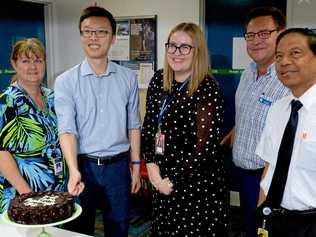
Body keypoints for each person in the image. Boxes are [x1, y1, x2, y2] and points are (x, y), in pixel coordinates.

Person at [54, 6, 141, 237]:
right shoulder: (65, 81)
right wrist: (73, 170)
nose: (93, 37)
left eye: (101, 32)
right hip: (83, 166)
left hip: (118, 168)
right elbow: (66, 129)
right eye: (87, 31)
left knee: (119, 227)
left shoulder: (127, 78)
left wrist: (136, 165)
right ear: (81, 36)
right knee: (79, 230)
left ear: (112, 38)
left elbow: (134, 124)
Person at [141, 22, 229, 236]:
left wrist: (170, 182)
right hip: (162, 178)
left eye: (184, 47)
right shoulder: (159, 79)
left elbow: (204, 148)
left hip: (195, 184)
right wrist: (152, 168)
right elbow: (149, 125)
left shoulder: (207, 88)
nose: (176, 53)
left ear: (196, 51)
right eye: (172, 45)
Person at [220, 6, 289, 237]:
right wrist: (233, 133)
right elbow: (246, 114)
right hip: (243, 171)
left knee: (268, 230)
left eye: (264, 33)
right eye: (250, 35)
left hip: (269, 176)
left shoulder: (288, 78)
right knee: (251, 224)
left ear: (281, 33)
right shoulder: (248, 72)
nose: (256, 41)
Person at [256, 28, 316, 236]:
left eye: (295, 53)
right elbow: (269, 166)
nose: (284, 62)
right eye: (279, 56)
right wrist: (261, 213)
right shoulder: (278, 109)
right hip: (273, 217)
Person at [0, 38, 67, 213]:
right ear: (14, 64)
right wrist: (26, 194)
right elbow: (1, 153)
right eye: (25, 61)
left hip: (55, 190)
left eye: (38, 60)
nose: (33, 66)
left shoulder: (51, 97)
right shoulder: (7, 101)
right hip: (22, 192)